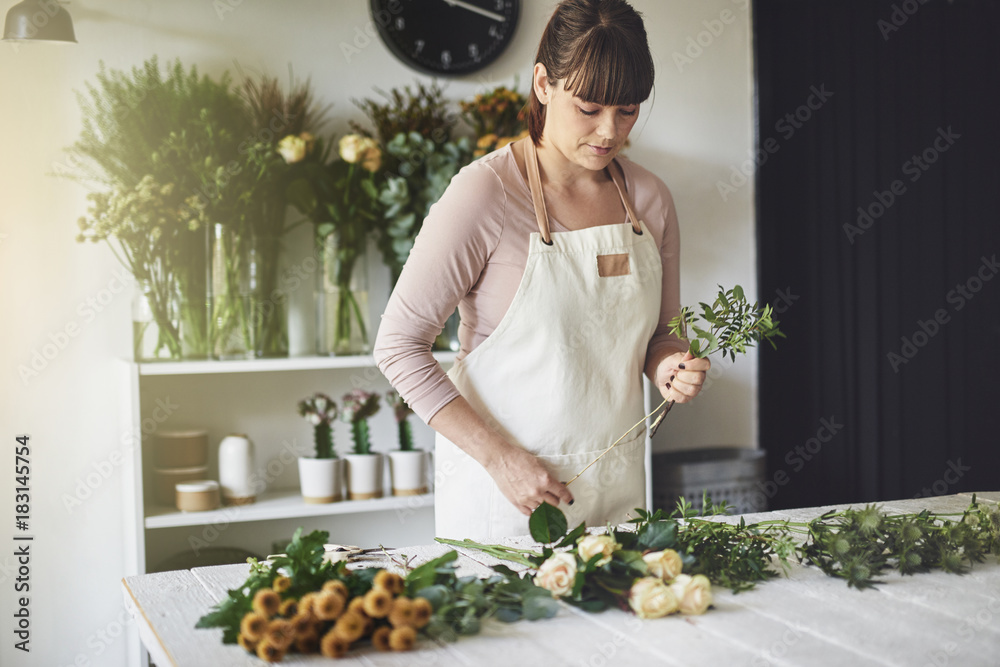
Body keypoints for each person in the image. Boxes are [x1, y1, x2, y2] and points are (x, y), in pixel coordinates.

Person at [374, 0, 710, 541]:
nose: (608, 131)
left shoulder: (648, 199)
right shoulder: (485, 192)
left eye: (627, 110)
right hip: (509, 500)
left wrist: (670, 368)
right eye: (589, 107)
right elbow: (397, 346)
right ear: (543, 84)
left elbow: (663, 335)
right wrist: (500, 458)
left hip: (618, 495)